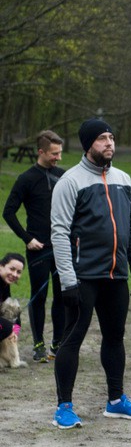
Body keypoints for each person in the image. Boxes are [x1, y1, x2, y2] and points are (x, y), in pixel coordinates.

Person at [50, 119, 131, 430]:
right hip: (82, 277)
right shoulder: (70, 181)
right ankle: (64, 407)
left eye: (112, 137)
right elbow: (59, 232)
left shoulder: (124, 179)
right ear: (88, 144)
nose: (110, 143)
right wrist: (67, 280)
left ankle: (116, 401)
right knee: (72, 338)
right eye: (102, 138)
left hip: (116, 275)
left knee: (115, 337)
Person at [3, 130, 65, 363]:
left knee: (62, 296)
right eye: (54, 153)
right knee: (39, 296)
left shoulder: (63, 176)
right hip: (38, 249)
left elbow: (75, 208)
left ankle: (57, 343)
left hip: (62, 246)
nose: (58, 157)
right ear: (41, 152)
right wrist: (27, 238)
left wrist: (75, 235)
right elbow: (8, 212)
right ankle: (38, 344)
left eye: (59, 153)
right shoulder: (26, 179)